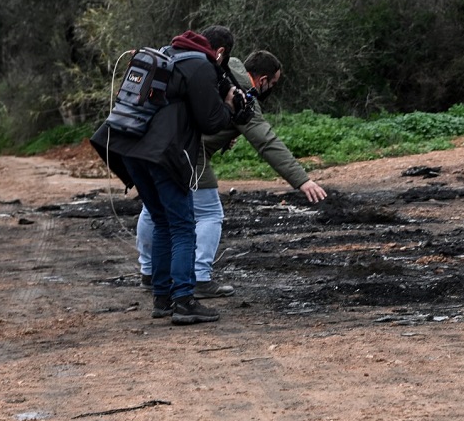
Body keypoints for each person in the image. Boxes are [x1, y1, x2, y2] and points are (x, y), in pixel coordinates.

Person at [136, 47, 327, 296]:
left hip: (155, 142)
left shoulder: (224, 69)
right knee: (210, 214)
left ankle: (149, 272)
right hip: (190, 153)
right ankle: (200, 277)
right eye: (274, 83)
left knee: (153, 209)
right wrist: (303, 181)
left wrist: (224, 135)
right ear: (263, 80)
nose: (272, 89)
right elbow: (267, 142)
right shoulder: (243, 98)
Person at [92, 29, 238, 325]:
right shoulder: (201, 66)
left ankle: (162, 298)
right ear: (218, 53)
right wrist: (231, 108)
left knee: (161, 221)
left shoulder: (165, 57)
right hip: (161, 154)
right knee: (183, 225)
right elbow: (211, 122)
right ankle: (184, 301)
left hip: (128, 148)